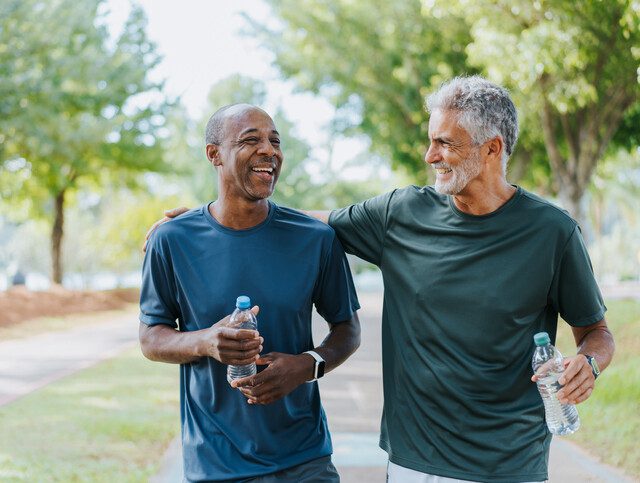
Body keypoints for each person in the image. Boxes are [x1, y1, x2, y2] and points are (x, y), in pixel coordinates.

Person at [146, 77, 615, 483]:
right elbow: (311, 221)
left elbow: (596, 333)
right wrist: (209, 217)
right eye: (432, 140)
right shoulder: (402, 213)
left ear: (492, 148)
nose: (431, 155)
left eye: (446, 143)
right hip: (414, 458)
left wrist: (587, 365)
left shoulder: (553, 232)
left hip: (510, 460)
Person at [139, 103, 361, 482]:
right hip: (216, 464)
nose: (269, 151)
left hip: (305, 460)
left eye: (275, 141)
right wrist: (207, 341)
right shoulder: (172, 240)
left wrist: (307, 365)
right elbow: (150, 338)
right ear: (215, 155)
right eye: (250, 140)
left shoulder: (315, 239)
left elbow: (348, 329)